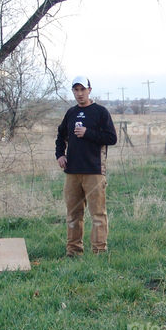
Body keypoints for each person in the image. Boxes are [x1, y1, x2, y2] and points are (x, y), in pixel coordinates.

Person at [55, 76, 117, 256]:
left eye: (83, 89)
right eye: (76, 90)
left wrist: (87, 133)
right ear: (73, 92)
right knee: (73, 214)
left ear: (89, 90)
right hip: (72, 171)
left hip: (94, 171)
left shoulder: (100, 112)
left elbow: (111, 138)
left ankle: (99, 250)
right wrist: (60, 154)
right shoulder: (71, 113)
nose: (79, 93)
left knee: (98, 214)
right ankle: (74, 251)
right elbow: (60, 136)